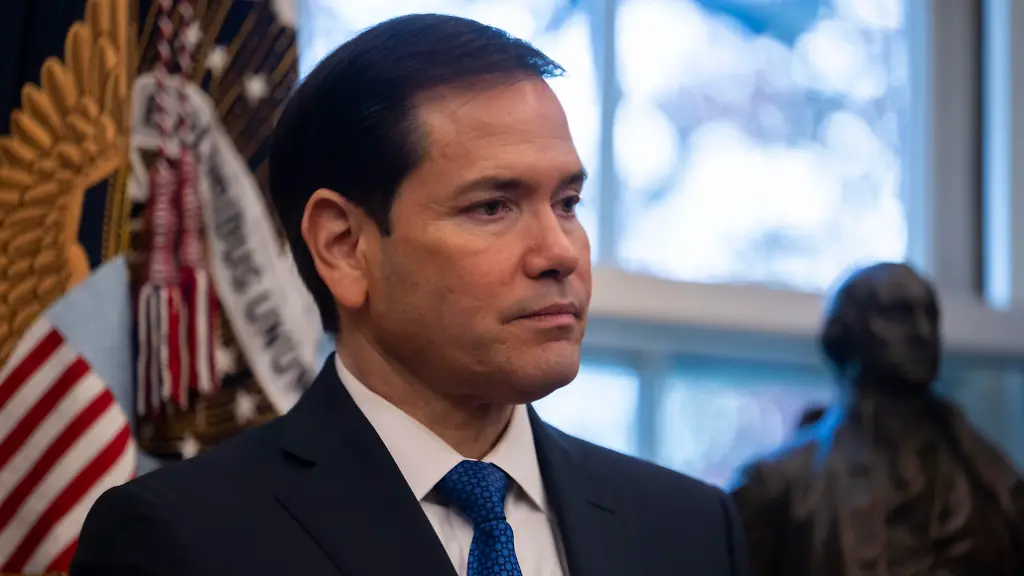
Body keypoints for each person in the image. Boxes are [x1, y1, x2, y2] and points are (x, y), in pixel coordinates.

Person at [71, 14, 750, 576]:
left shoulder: (689, 531)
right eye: (492, 206)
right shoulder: (180, 540)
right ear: (343, 245)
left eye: (567, 202)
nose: (560, 252)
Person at [728, 262, 1024, 576]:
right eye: (898, 314)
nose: (923, 333)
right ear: (844, 332)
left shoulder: (993, 482)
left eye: (930, 315)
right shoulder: (776, 488)